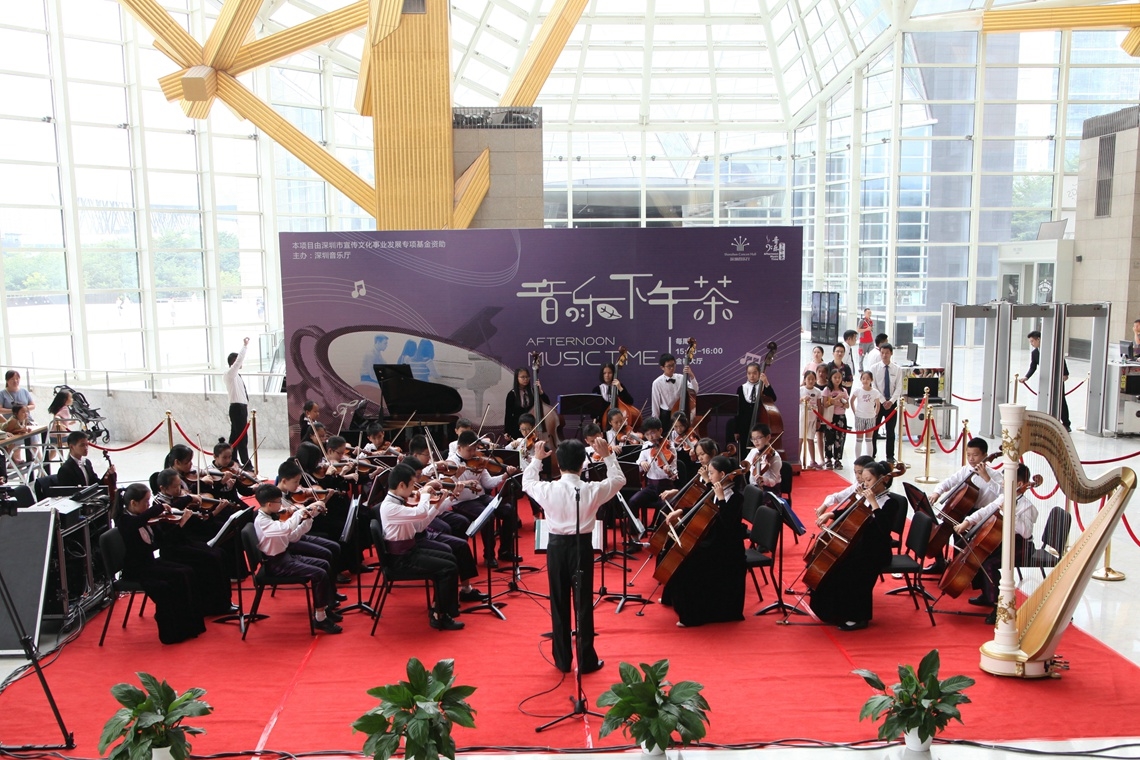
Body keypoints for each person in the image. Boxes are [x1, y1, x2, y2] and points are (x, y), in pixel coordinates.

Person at [523, 436, 625, 673]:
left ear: (559, 464)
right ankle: (586, 661)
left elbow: (527, 482)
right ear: (582, 464)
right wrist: (608, 456)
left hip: (556, 548)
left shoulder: (548, 489)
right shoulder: (591, 489)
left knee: (558, 602)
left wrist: (537, 460)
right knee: (583, 604)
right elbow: (619, 480)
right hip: (582, 548)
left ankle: (562, 660)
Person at [810, 460, 904, 630]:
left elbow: (883, 529)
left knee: (853, 570)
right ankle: (834, 611)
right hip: (860, 545)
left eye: (868, 480)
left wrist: (873, 502)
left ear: (882, 479)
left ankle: (859, 617)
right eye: (864, 479)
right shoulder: (866, 496)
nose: (864, 483)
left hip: (877, 550)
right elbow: (851, 512)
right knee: (836, 565)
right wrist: (831, 514)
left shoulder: (891, 502)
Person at [658, 454, 745, 627]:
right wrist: (681, 511)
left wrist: (721, 498)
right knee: (674, 549)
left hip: (726, 547)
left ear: (722, 474)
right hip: (712, 539)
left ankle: (692, 614)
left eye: (711, 473)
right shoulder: (714, 490)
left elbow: (727, 524)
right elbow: (699, 507)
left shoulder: (736, 497)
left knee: (688, 561)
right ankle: (675, 599)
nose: (709, 476)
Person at [114, 483, 206, 644]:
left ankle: (191, 624)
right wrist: (158, 508)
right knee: (173, 580)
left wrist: (180, 524)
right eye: (146, 502)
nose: (148, 505)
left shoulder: (146, 519)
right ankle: (172, 633)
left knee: (187, 571)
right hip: (136, 569)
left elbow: (163, 541)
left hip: (149, 563)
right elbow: (138, 523)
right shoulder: (125, 521)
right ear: (133, 503)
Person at [378, 463, 466, 630]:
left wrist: (441, 502)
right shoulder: (390, 507)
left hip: (410, 551)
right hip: (401, 559)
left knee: (450, 557)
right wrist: (425, 493)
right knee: (448, 568)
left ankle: (438, 607)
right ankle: (440, 615)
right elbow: (420, 512)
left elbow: (419, 526)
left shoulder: (400, 502)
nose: (414, 489)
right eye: (412, 485)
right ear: (401, 485)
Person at [954, 463, 1039, 625]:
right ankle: (987, 595)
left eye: (1006, 480)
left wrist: (1009, 513)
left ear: (1019, 484)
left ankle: (999, 606)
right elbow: (986, 510)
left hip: (1021, 546)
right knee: (978, 555)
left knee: (989, 564)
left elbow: (1026, 532)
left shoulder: (1027, 507)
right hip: (1004, 541)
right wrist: (968, 521)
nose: (1002, 483)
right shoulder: (1004, 497)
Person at [252, 483, 343, 633]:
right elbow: (286, 528)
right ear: (269, 504)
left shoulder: (274, 516)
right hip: (276, 565)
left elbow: (292, 537)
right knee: (319, 574)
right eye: (279, 502)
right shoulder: (262, 522)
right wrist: (300, 513)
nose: (281, 505)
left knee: (324, 564)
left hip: (286, 557)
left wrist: (309, 518)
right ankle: (320, 619)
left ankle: (324, 609)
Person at [448, 430, 520, 567]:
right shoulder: (450, 463)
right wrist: (459, 479)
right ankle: (489, 556)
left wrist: (504, 476)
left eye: (475, 449)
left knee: (509, 510)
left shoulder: (478, 459)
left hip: (480, 497)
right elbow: (447, 486)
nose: (473, 453)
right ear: (459, 448)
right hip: (462, 502)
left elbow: (488, 483)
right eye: (469, 450)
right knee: (488, 516)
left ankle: (505, 551)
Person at [1022, 330, 1071, 432]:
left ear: (1039, 339)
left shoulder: (1051, 350)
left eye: (1032, 341)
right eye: (1030, 342)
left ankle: (1066, 423)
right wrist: (1026, 377)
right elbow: (1033, 367)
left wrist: (1065, 374)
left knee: (1061, 401)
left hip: (1057, 379)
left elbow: (1061, 361)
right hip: (1046, 380)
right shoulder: (1035, 353)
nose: (1031, 344)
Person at [730, 361, 776, 448]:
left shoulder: (763, 387)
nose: (752, 376)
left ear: (759, 374)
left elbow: (773, 398)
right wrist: (736, 430)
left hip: (760, 423)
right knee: (744, 448)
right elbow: (738, 411)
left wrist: (766, 382)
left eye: (754, 373)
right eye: (749, 373)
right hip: (744, 426)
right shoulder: (741, 388)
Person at [814, 455, 876, 519]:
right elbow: (837, 497)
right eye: (855, 472)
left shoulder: (876, 489)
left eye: (860, 473)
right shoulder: (859, 486)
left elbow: (874, 515)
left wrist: (866, 499)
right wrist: (825, 505)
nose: (857, 476)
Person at [869, 344, 902, 461]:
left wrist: (891, 401)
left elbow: (899, 387)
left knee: (890, 431)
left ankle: (890, 456)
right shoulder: (874, 368)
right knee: (874, 429)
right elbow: (873, 386)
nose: (884, 355)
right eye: (882, 353)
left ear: (891, 353)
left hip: (892, 404)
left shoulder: (897, 369)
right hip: (878, 403)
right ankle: (872, 454)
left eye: (887, 353)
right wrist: (883, 400)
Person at [650, 352, 698, 431]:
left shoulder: (681, 378)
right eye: (669, 366)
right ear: (662, 367)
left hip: (681, 413)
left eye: (673, 365)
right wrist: (656, 423)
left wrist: (691, 375)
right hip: (666, 416)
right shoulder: (657, 383)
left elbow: (695, 390)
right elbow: (655, 404)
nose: (672, 368)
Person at [225, 337, 251, 466]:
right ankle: (246, 462)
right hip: (237, 408)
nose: (241, 363)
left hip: (241, 408)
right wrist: (245, 346)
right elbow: (239, 360)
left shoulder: (236, 376)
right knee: (241, 437)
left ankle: (232, 459)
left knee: (235, 436)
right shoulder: (230, 374)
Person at [504, 366, 549, 439]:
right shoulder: (512, 394)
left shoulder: (533, 391)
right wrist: (507, 431)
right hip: (517, 428)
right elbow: (508, 415)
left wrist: (540, 392)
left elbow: (547, 403)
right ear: (517, 378)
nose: (525, 379)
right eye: (522, 377)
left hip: (532, 426)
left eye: (527, 377)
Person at [850, 371, 883, 458]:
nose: (865, 381)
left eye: (868, 379)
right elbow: (851, 401)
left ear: (871, 380)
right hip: (860, 417)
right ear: (861, 379)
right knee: (859, 440)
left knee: (869, 440)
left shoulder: (875, 392)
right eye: (863, 378)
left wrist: (875, 414)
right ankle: (857, 458)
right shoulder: (858, 390)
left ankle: (869, 458)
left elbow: (878, 404)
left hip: (870, 418)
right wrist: (855, 412)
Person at [821, 368, 849, 469]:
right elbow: (825, 404)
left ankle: (838, 460)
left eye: (839, 377)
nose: (837, 379)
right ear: (830, 378)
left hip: (840, 417)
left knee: (840, 438)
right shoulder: (827, 390)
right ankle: (828, 459)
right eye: (835, 377)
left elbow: (847, 405)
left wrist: (842, 404)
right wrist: (835, 399)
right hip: (830, 417)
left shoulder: (844, 390)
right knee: (828, 438)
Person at [800, 371, 824, 469]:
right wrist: (802, 399)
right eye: (808, 379)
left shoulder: (817, 391)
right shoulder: (800, 390)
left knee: (810, 439)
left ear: (815, 380)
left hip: (813, 418)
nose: (810, 381)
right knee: (800, 439)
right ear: (805, 380)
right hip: (802, 418)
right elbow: (795, 401)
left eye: (812, 379)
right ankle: (798, 460)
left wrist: (819, 420)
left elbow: (819, 405)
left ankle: (813, 461)